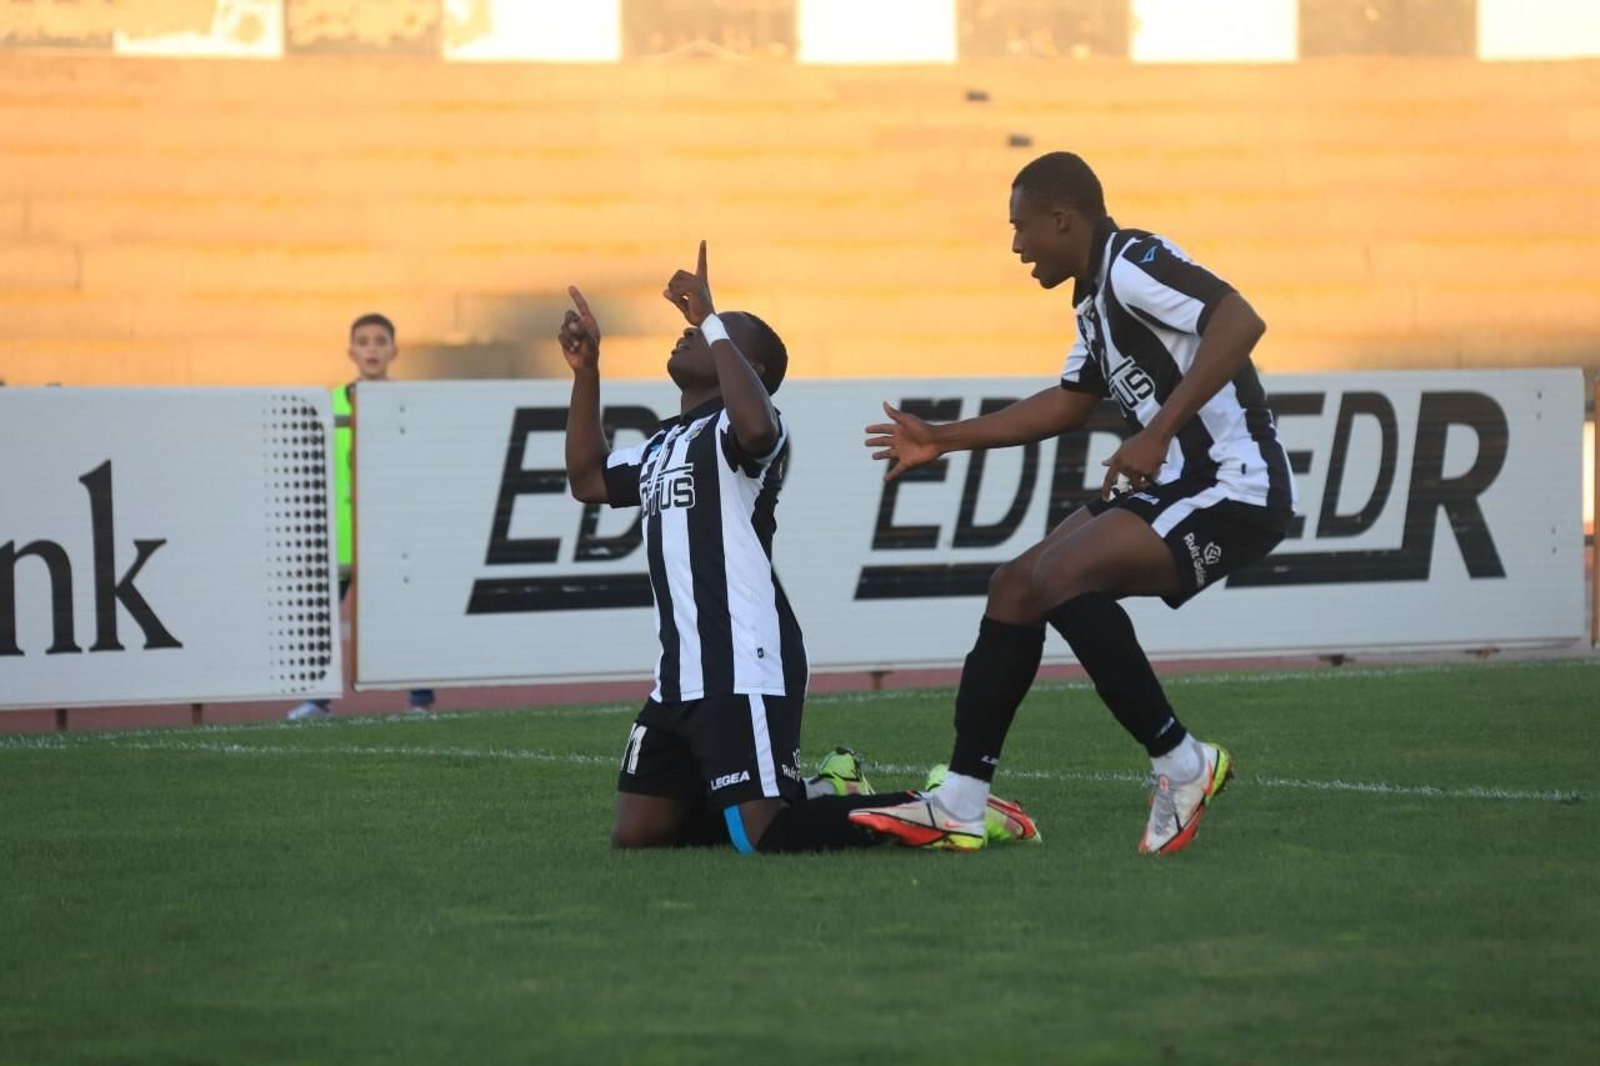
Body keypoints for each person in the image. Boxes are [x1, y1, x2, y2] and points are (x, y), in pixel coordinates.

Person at [850, 152, 1297, 855]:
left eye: (1022, 228)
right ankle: (961, 801)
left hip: (1233, 485)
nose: (1016, 246)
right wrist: (941, 438)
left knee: (1060, 578)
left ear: (1063, 220)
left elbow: (1239, 320)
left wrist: (1156, 430)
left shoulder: (1130, 262)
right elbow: (1066, 404)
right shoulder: (1092, 301)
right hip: (1178, 482)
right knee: (1015, 588)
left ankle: (1185, 765)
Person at [561, 243, 1040, 852]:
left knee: (765, 836)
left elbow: (756, 427)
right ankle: (822, 792)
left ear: (750, 369)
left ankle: (944, 808)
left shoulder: (752, 432)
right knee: (640, 834)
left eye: (716, 335)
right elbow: (588, 479)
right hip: (680, 673)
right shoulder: (662, 445)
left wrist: (711, 317)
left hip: (744, 659)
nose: (691, 336)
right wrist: (587, 372)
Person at [286, 313, 437, 721]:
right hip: (339, 532)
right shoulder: (330, 402)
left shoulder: (408, 405)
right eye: (364, 341)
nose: (372, 348)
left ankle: (421, 699)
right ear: (351, 351)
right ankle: (318, 699)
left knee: (406, 613)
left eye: (379, 341)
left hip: (391, 533)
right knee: (320, 616)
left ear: (393, 350)